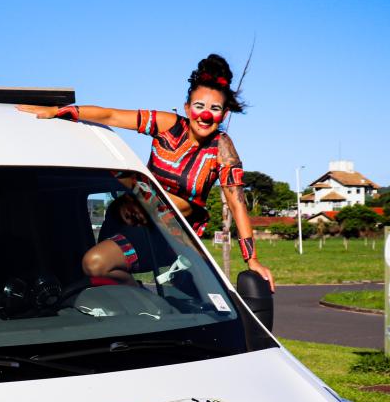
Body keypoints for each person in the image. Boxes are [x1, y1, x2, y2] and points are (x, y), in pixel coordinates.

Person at [18, 53, 275, 291]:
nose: (205, 115)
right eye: (199, 106)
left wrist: (251, 259)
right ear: (187, 108)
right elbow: (111, 116)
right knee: (92, 271)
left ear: (224, 113)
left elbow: (236, 202)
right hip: (125, 220)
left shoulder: (221, 147)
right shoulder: (166, 125)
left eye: (215, 109)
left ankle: (140, 296)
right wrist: (59, 112)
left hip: (167, 235)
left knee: (95, 264)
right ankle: (135, 297)